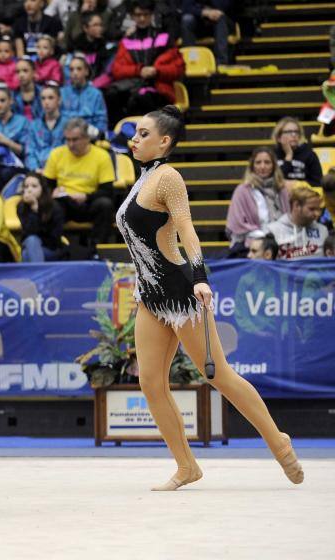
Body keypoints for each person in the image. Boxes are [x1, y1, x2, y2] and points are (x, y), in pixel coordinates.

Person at [117, 105, 303, 490]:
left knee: (218, 374)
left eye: (144, 134)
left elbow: (188, 230)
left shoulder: (168, 178)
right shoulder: (142, 178)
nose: (134, 139)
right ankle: (186, 467)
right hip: (150, 296)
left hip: (181, 293)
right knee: (151, 383)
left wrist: (200, 279)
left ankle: (278, 441)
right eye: (135, 133)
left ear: (165, 141)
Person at [109, 0, 185, 124]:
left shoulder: (164, 38)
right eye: (138, 15)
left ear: (152, 15)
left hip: (159, 89)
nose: (142, 18)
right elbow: (117, 70)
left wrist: (157, 71)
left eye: (146, 14)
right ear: (133, 16)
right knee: (111, 95)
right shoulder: (127, 41)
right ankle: (116, 136)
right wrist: (139, 70)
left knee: (143, 97)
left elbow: (179, 68)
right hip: (133, 86)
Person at [44, 117, 115, 247]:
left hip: (88, 201)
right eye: (67, 140)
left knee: (105, 204)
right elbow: (46, 185)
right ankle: (55, 248)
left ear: (87, 138)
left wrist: (86, 196)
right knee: (51, 205)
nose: (71, 144)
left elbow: (107, 190)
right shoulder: (56, 154)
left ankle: (97, 249)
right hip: (64, 202)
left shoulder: (102, 156)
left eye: (75, 140)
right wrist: (53, 192)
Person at [225, 148, 289, 255]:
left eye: (267, 162)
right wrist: (264, 236)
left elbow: (288, 218)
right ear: (252, 166)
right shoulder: (242, 190)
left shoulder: (281, 190)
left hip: (280, 243)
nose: (262, 166)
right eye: (258, 162)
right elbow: (236, 224)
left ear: (273, 166)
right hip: (249, 246)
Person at [267, 186, 329, 259]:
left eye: (319, 209)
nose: (317, 214)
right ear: (296, 205)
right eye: (312, 209)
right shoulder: (273, 230)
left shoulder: (323, 230)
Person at [17, 172, 67, 261]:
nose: (29, 190)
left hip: (52, 249)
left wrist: (37, 210)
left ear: (42, 189)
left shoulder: (55, 207)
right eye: (26, 186)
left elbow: (54, 238)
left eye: (34, 186)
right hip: (31, 245)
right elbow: (29, 232)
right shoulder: (22, 206)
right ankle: (40, 273)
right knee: (31, 241)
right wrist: (34, 210)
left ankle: (35, 273)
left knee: (27, 254)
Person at [26, 84, 70, 173]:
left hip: (61, 171)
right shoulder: (34, 125)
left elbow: (69, 151)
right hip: (38, 171)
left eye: (50, 98)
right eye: (43, 98)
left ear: (59, 100)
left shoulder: (68, 124)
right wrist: (35, 169)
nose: (46, 102)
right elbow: (30, 152)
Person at [61, 56, 107, 133]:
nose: (75, 73)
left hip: (88, 135)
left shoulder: (96, 94)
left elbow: (101, 122)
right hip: (66, 135)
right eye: (71, 70)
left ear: (86, 71)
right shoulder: (63, 93)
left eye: (79, 69)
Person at [273, 117, 323, 187]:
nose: (294, 135)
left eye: (296, 132)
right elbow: (274, 181)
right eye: (289, 132)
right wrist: (289, 155)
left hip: (304, 195)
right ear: (279, 137)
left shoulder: (309, 155)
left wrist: (298, 185)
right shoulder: (272, 155)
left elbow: (317, 183)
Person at [181, 0, 232, 66]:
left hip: (220, 23)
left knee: (220, 17)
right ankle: (191, 61)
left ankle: (221, 62)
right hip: (199, 22)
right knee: (187, 19)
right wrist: (205, 12)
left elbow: (224, 6)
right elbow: (186, 7)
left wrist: (212, 12)